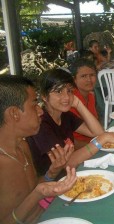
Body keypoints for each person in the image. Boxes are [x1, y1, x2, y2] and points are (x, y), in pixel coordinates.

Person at [27, 69, 114, 178]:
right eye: (58, 92)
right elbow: (65, 163)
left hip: (71, 173)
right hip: (54, 184)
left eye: (69, 91)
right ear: (44, 96)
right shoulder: (41, 124)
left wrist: (78, 104)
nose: (66, 97)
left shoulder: (64, 115)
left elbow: (97, 132)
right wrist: (102, 139)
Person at [0, 75, 77, 224]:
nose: (41, 111)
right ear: (14, 113)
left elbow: (31, 188)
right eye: (34, 105)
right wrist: (38, 194)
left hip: (48, 214)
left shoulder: (22, 145)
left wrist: (51, 173)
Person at [69, 58, 100, 149]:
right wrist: (97, 147)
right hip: (79, 150)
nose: (89, 80)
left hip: (94, 142)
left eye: (92, 75)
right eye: (83, 76)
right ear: (74, 79)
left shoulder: (91, 96)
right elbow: (70, 141)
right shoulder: (71, 101)